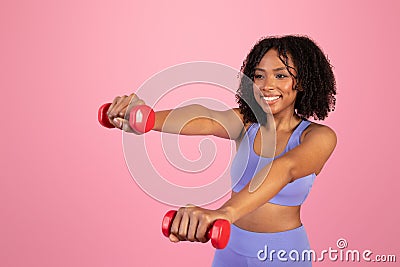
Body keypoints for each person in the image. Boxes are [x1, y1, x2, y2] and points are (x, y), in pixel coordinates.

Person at [106, 35, 337, 266]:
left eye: (281, 75)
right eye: (258, 75)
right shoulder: (246, 123)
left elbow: (286, 168)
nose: (267, 85)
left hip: (283, 254)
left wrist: (225, 213)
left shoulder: (319, 137)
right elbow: (207, 118)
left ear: (303, 81)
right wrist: (147, 118)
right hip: (230, 249)